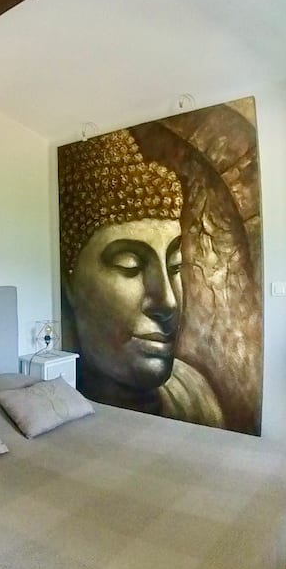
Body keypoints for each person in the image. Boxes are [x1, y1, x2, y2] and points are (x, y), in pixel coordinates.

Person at [59, 128, 224, 426]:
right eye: (130, 266)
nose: (168, 301)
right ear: (69, 284)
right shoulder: (54, 391)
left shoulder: (193, 392)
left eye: (175, 266)